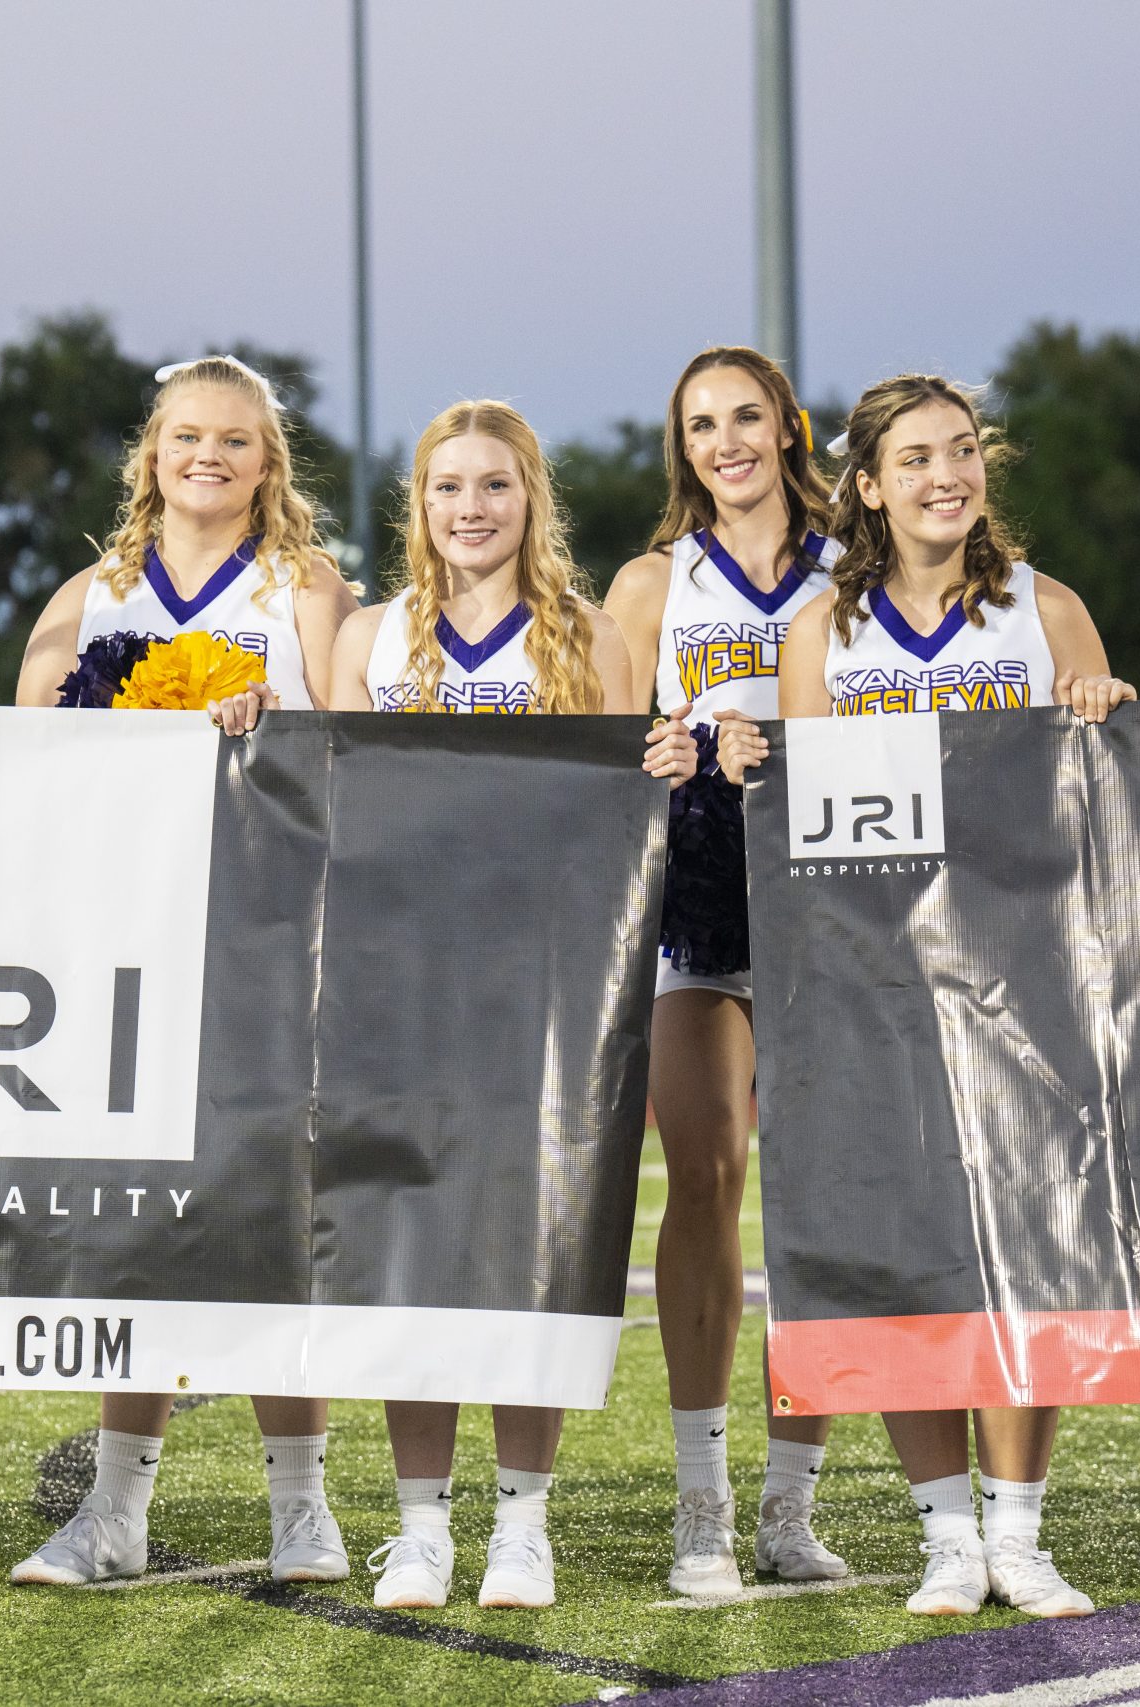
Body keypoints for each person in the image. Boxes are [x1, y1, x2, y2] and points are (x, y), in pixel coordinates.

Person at [779, 373, 1135, 1620]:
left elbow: (1113, 801)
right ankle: (943, 1535)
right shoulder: (821, 635)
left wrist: (1104, 713)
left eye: (964, 453)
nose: (947, 475)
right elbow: (804, 834)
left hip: (1032, 981)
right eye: (917, 459)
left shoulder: (1049, 610)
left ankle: (1020, 1532)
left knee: (1033, 1250)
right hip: (875, 985)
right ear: (867, 487)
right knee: (903, 1254)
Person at [331, 400, 696, 1610]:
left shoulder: (588, 639)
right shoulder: (369, 639)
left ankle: (524, 1522)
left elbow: (621, 816)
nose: (470, 509)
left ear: (529, 499)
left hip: (544, 991)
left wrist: (668, 761)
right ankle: (422, 1525)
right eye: (447, 488)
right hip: (402, 987)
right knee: (412, 1249)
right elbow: (332, 804)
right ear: (418, 505)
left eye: (493, 486)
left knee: (537, 1246)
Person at [8, 356, 364, 1590]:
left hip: (271, 933)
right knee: (137, 1221)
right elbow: (31, 751)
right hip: (130, 941)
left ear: (268, 466)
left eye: (233, 442)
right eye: (183, 439)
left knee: (277, 1217)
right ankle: (114, 1512)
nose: (206, 458)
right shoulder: (92, 593)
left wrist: (274, 725)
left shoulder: (304, 588)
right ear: (148, 456)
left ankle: (302, 1508)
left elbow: (352, 743)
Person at [602, 347, 848, 1599]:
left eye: (745, 416)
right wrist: (652, 748)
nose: (724, 441)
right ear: (682, 447)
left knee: (823, 1195)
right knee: (703, 1175)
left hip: (835, 901)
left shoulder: (859, 568)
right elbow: (595, 743)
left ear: (790, 428)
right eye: (701, 425)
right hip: (694, 904)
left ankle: (787, 1511)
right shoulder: (654, 581)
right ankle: (700, 1510)